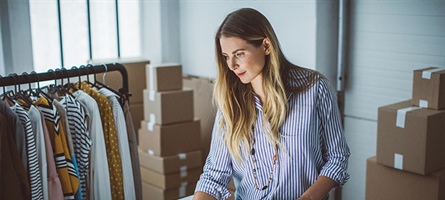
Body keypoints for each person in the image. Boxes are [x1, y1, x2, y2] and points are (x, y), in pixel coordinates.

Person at [193, 8, 350, 200]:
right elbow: (213, 178)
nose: (231, 65)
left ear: (266, 46)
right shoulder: (230, 104)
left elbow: (337, 158)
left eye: (239, 54)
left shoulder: (315, 89)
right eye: (226, 56)